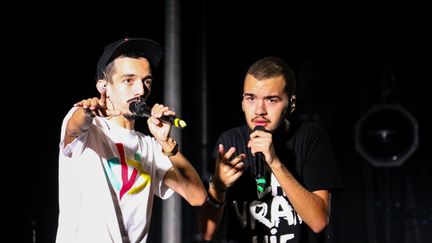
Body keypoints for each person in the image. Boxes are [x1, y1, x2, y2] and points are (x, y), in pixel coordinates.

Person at [56, 37, 207, 243]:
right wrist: (87, 111)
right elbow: (75, 128)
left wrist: (166, 144)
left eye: (147, 81)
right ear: (104, 87)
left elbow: (197, 196)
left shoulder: (151, 147)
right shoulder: (89, 128)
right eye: (128, 80)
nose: (141, 91)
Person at [200, 56, 343, 243]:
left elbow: (318, 221)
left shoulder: (310, 138)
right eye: (251, 98)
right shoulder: (230, 142)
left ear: (291, 103)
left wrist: (275, 162)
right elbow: (207, 233)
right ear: (242, 103)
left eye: (271, 100)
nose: (259, 110)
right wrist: (218, 187)